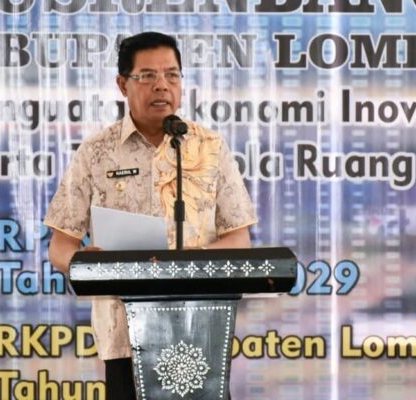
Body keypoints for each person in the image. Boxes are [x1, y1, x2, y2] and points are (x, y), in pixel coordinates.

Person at [44, 31, 257, 400]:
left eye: (171, 75)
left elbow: (239, 239)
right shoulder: (96, 152)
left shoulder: (209, 147)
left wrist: (190, 262)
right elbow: (60, 246)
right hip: (125, 334)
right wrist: (85, 263)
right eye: (147, 76)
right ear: (122, 84)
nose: (162, 85)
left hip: (200, 328)